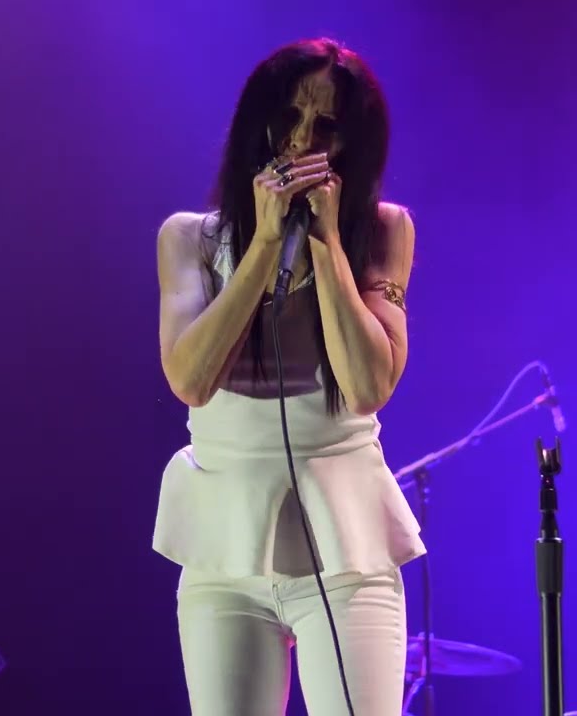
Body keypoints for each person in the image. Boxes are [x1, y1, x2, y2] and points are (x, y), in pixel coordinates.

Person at [151, 37, 425, 715]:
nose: (302, 139)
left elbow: (366, 386)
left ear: (351, 144)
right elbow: (190, 379)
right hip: (225, 547)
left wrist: (329, 246)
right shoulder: (189, 238)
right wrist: (266, 244)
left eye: (326, 126)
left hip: (346, 548)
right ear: (259, 120)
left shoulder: (384, 231)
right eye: (290, 116)